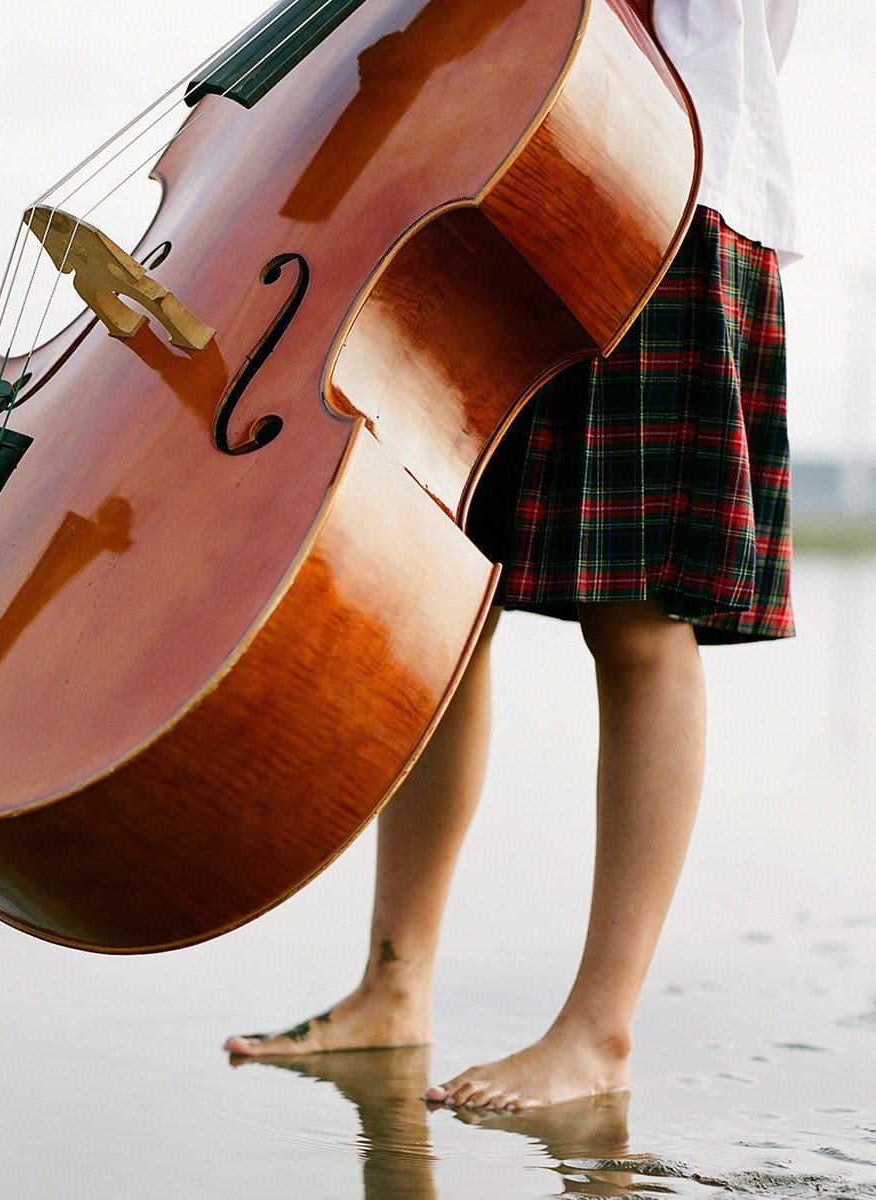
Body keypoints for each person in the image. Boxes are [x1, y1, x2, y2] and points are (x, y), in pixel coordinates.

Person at [223, 0, 803, 1111]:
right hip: (489, 173)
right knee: (446, 591)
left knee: (640, 617)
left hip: (656, 170)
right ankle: (395, 988)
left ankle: (600, 1032)